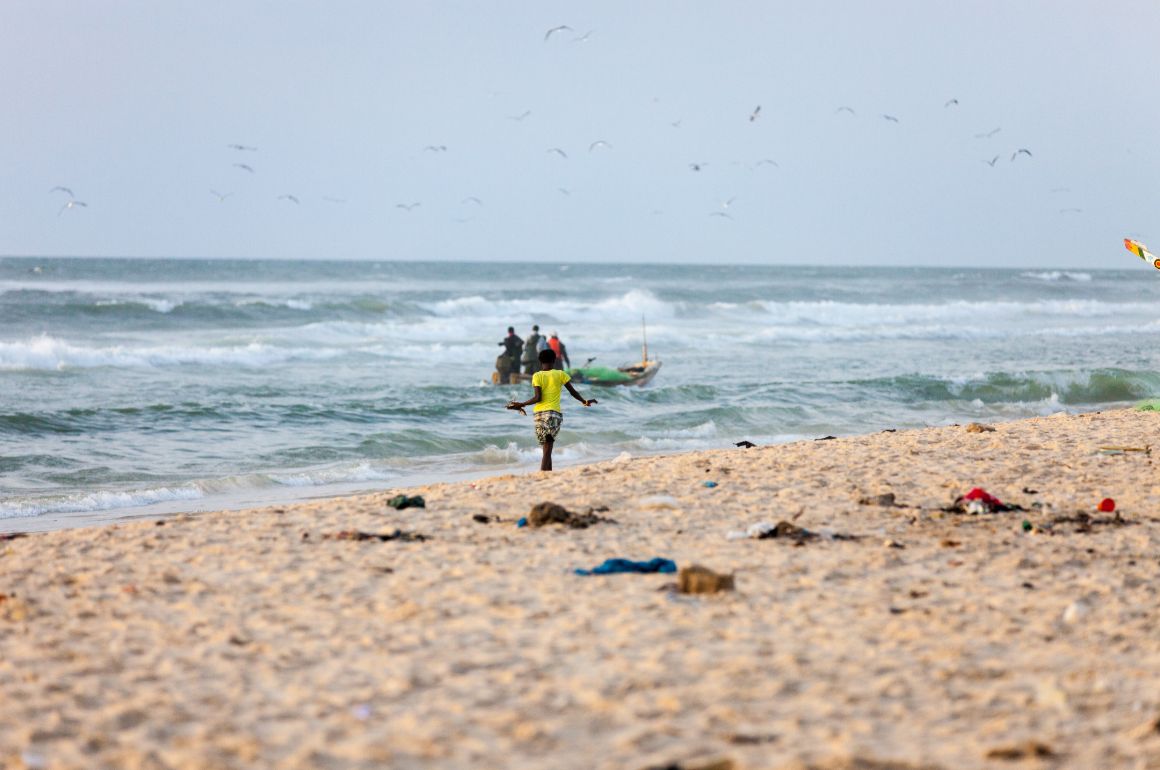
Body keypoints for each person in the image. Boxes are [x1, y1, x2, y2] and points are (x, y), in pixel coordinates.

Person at [506, 348, 596, 471]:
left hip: (539, 415)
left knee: (546, 448)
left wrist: (522, 404)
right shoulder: (560, 374)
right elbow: (573, 392)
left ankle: (546, 474)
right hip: (554, 414)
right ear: (554, 360)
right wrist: (584, 401)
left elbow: (538, 398)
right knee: (548, 449)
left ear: (540, 361)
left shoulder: (537, 376)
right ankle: (545, 473)